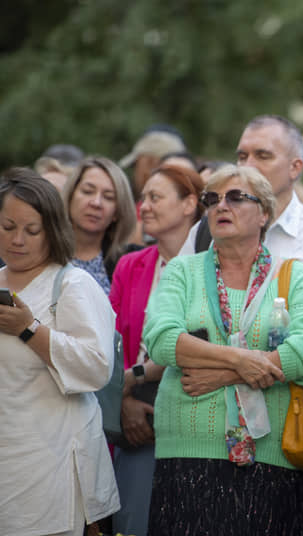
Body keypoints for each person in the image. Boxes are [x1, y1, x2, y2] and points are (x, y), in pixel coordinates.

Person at [142, 165, 303, 534]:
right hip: (186, 455)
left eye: (237, 197)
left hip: (271, 458)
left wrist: (220, 373)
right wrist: (241, 360)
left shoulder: (294, 274)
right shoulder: (182, 270)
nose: (221, 206)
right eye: (213, 199)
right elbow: (161, 340)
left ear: (265, 214)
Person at [0, 172, 119, 535]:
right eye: (7, 226)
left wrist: (29, 329)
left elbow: (97, 368)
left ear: (52, 230)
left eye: (31, 231)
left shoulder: (73, 284)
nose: (17, 240)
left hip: (52, 467)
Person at [179, 115, 303, 331]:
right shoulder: (205, 231)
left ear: (295, 168)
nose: (248, 166)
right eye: (242, 156)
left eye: (262, 156)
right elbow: (168, 318)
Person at [108, 163, 204, 536]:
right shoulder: (130, 266)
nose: (143, 206)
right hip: (138, 424)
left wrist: (130, 380)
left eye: (155, 197)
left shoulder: (212, 269)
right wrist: (123, 403)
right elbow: (110, 345)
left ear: (188, 205)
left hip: (195, 419)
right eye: (141, 198)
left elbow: (199, 344)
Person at [62, 156, 138, 294]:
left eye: (108, 197)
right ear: (70, 196)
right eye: (87, 191)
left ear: (117, 211)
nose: (96, 203)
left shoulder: (132, 262)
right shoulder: (40, 252)